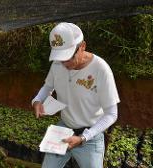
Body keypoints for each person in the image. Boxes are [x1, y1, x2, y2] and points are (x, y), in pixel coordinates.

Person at [32, 22, 120, 168]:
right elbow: (48, 87)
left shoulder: (101, 69)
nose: (64, 63)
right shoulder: (57, 65)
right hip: (63, 131)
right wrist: (37, 100)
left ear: (82, 46)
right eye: (60, 58)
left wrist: (83, 138)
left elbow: (112, 113)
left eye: (69, 57)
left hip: (90, 137)